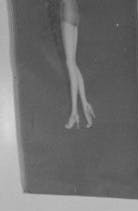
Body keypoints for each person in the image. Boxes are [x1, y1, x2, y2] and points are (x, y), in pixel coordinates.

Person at [55, 0, 95, 129]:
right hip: (74, 10)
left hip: (66, 9)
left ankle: (74, 112)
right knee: (73, 62)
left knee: (70, 62)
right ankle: (85, 105)